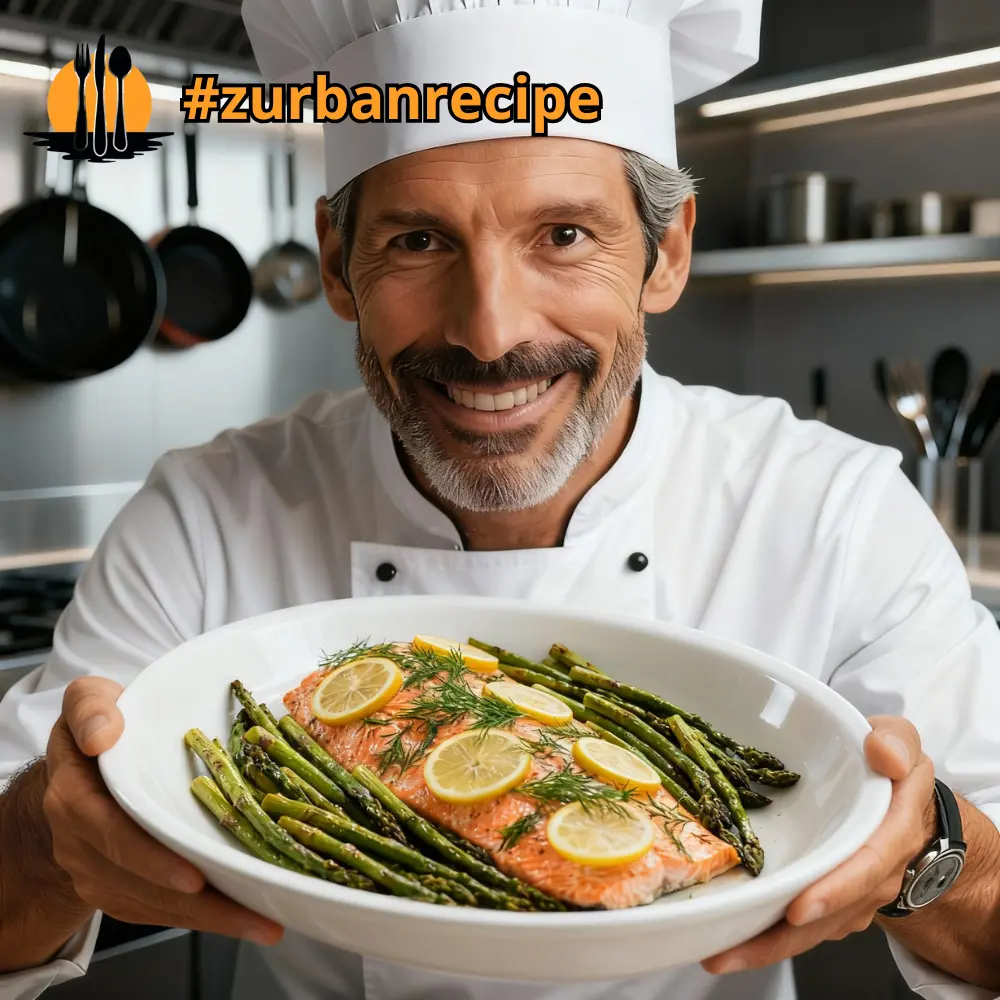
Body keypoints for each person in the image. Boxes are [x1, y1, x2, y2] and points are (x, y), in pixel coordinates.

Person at [1, 1, 999, 998]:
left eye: (563, 234)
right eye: (420, 241)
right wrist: (50, 837)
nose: (488, 332)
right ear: (339, 264)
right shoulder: (206, 513)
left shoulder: (834, 508)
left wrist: (932, 854)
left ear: (668, 250)